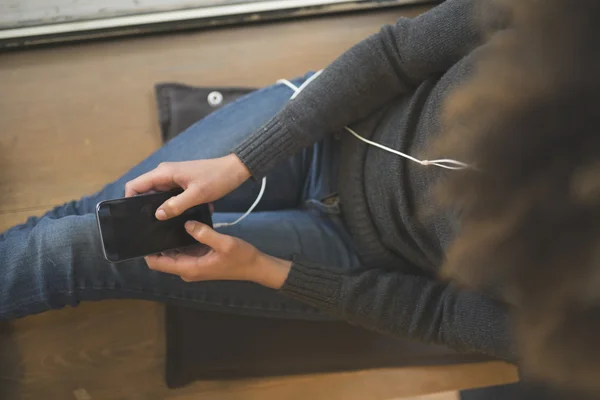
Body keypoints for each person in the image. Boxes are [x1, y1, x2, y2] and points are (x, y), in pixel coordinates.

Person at [6, 0, 598, 396]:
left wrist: (263, 270)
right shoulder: (572, 27)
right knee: (93, 226)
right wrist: (243, 160)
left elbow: (436, 313)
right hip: (322, 131)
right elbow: (396, 54)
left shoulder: (581, 315)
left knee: (80, 242)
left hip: (351, 256)